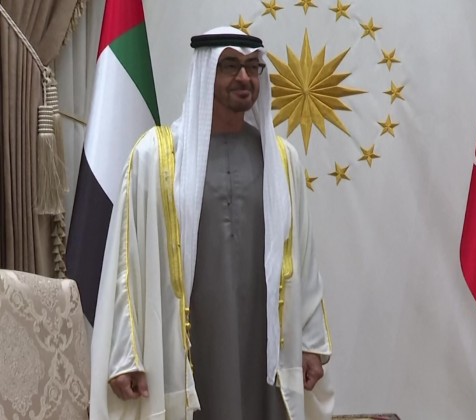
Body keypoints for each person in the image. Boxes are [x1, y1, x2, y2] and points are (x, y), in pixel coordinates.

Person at [89, 27, 333, 420]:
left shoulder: (282, 159)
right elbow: (126, 262)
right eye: (230, 66)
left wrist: (310, 341)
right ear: (205, 73)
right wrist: (126, 355)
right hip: (189, 342)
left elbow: (303, 257)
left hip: (262, 340)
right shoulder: (156, 156)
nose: (244, 77)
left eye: (253, 67)